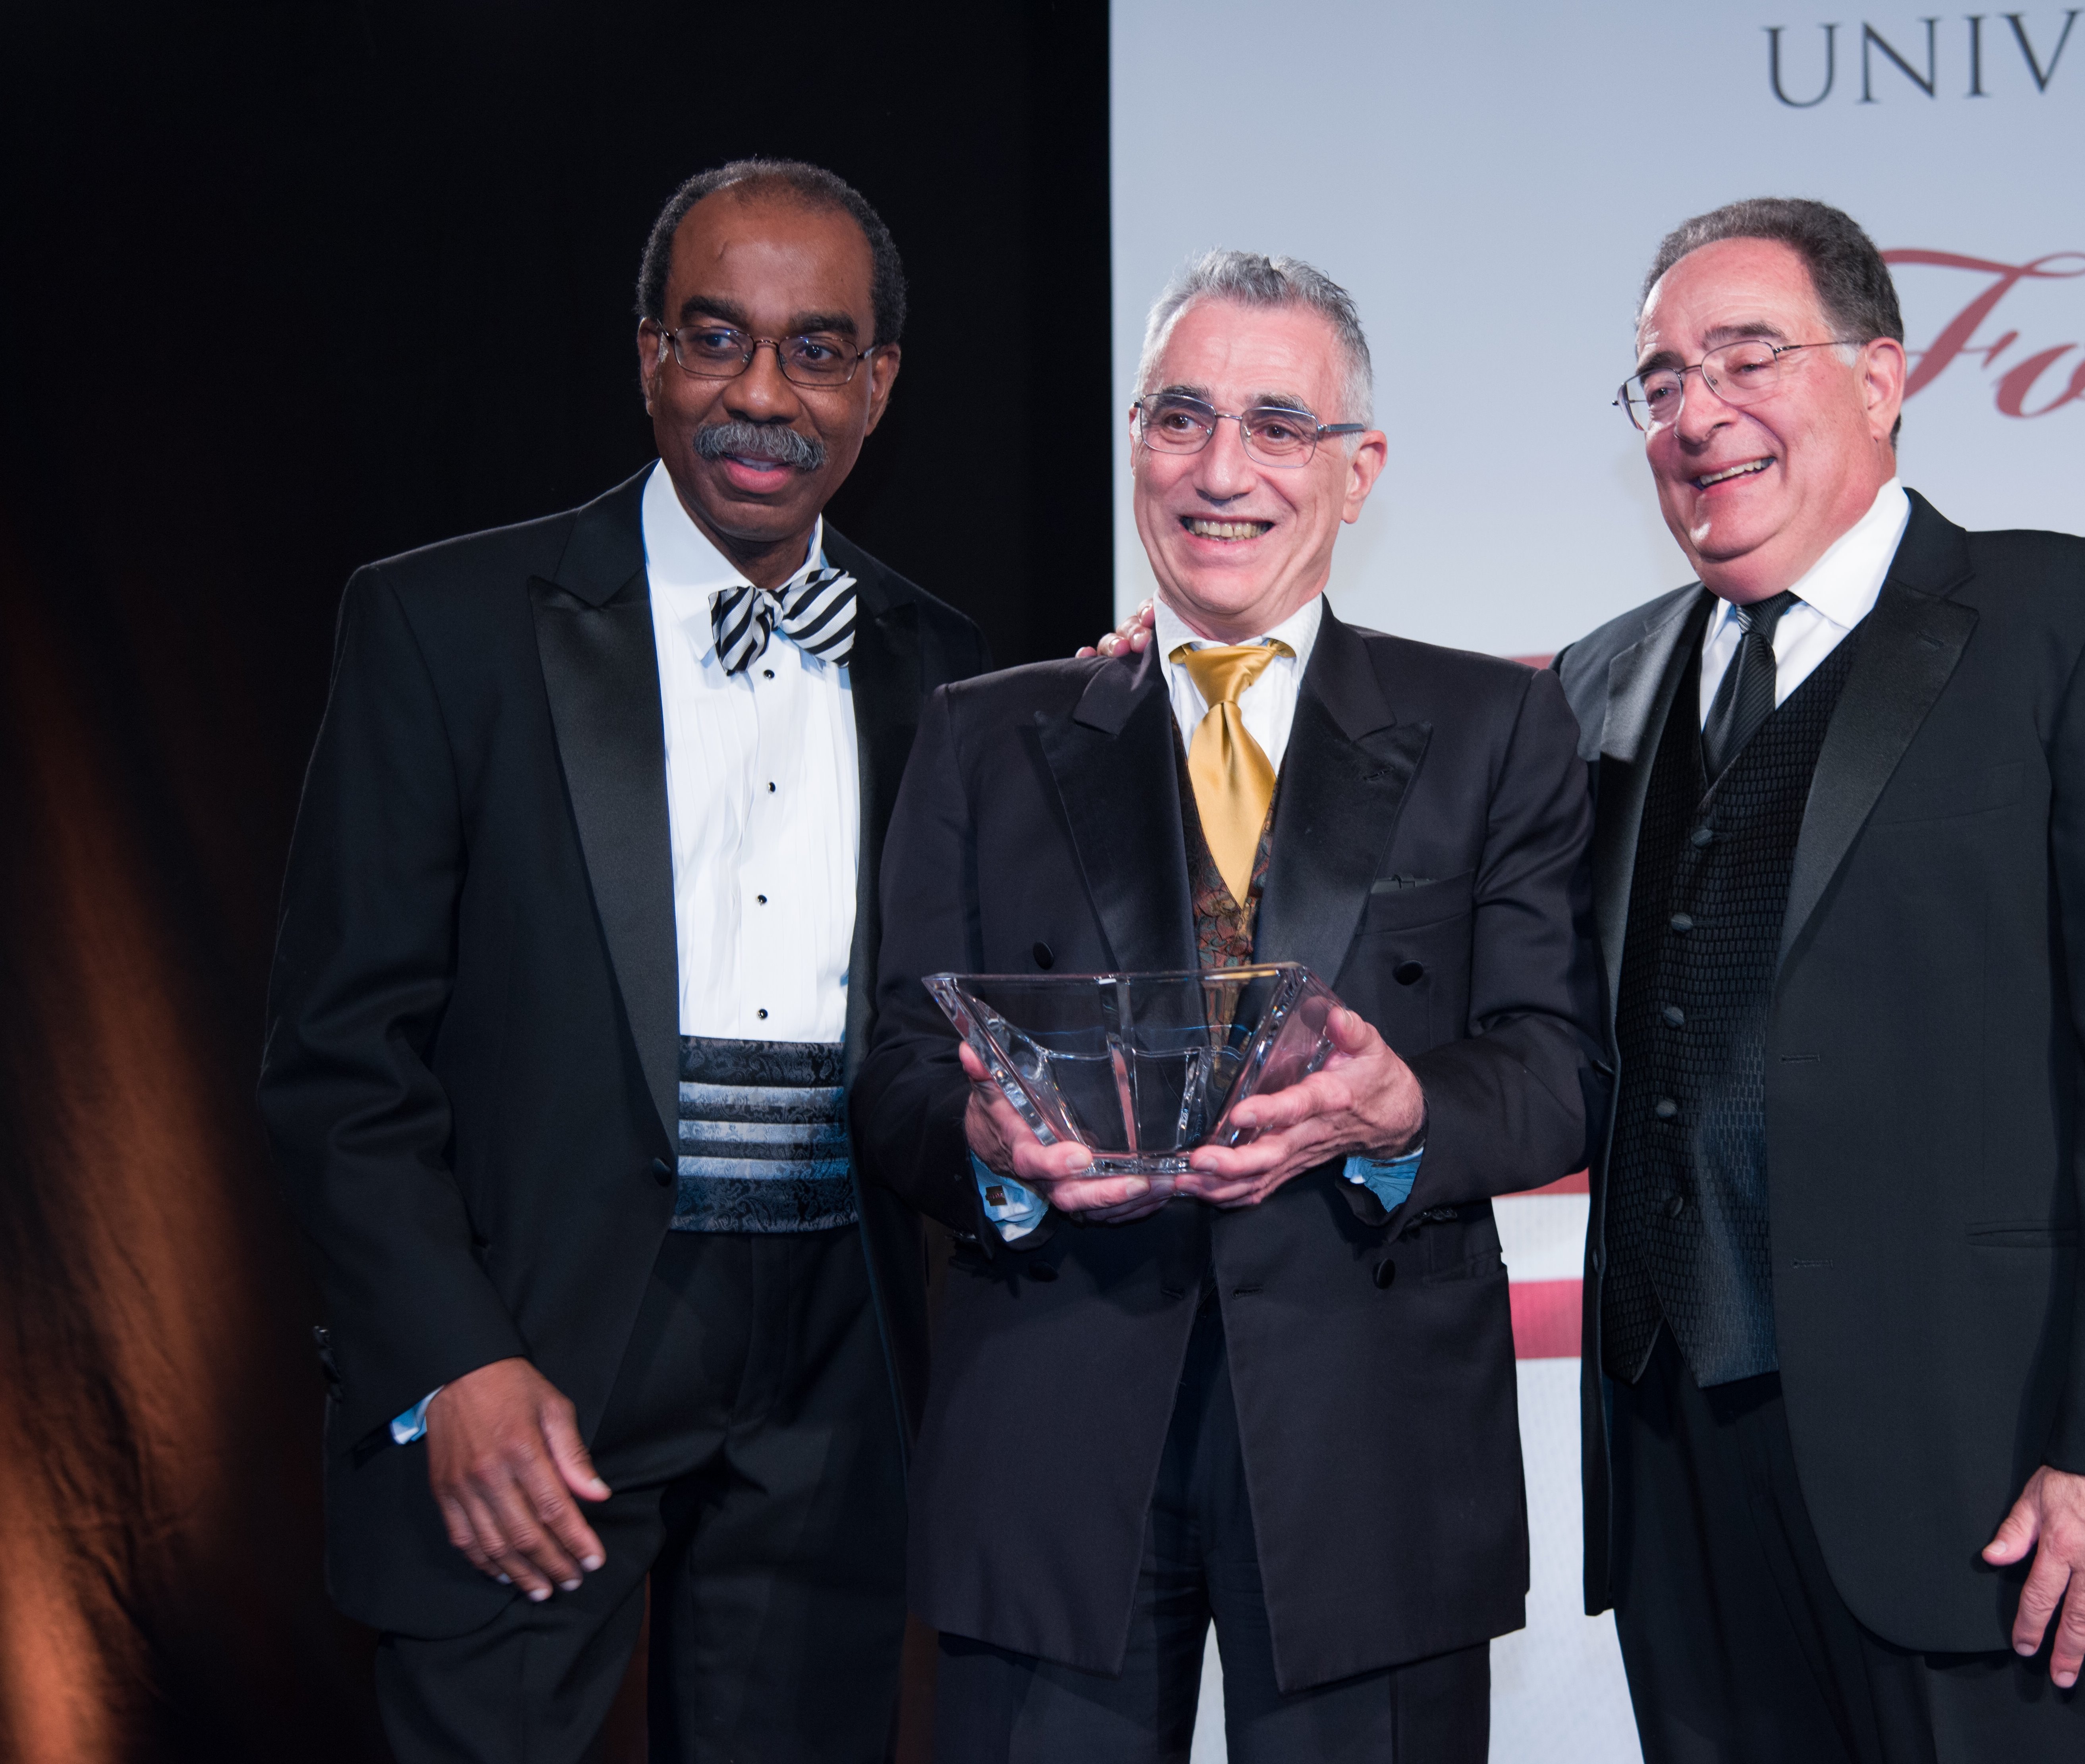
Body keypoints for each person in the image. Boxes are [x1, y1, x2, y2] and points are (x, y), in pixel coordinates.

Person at [258, 158, 988, 1762]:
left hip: (835, 1360)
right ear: (647, 352)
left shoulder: (946, 673)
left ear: (876, 388)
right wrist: (449, 1356)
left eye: (815, 351)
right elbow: (335, 1059)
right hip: (534, 1350)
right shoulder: (443, 627)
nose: (760, 392)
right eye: (717, 336)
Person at [1549, 198, 2085, 1762]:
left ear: (1881, 377)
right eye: (1660, 382)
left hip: (2002, 1498)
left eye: (1747, 358)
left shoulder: (2084, 621)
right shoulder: (1596, 680)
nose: (1697, 414)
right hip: (1683, 1481)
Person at [851, 250, 1595, 1762]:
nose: (1221, 470)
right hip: (1050, 1437)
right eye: (1181, 417)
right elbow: (896, 1073)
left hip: (1369, 1450)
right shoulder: (987, 736)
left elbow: (1561, 1064)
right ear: (1135, 441)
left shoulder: (1492, 726)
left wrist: (1404, 1115)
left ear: (1358, 468)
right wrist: (986, 1144)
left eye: (1277, 425)